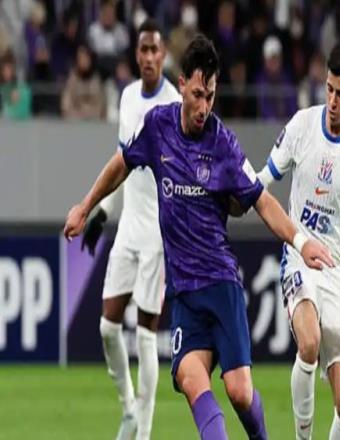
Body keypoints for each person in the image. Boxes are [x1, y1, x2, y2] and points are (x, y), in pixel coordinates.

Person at [64, 34, 333, 440]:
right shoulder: (158, 126)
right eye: (196, 95)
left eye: (210, 96)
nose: (204, 107)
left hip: (221, 285)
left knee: (239, 392)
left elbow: (261, 202)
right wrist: (85, 207)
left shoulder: (223, 143)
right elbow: (121, 164)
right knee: (192, 381)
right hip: (184, 295)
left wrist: (300, 241)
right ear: (182, 84)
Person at [257, 41, 340, 440]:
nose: (332, 101)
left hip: (336, 274)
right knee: (308, 343)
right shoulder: (301, 126)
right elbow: (263, 180)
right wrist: (233, 192)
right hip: (299, 257)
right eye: (328, 89)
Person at [79, 19, 180, 440]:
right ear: (136, 55)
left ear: (164, 54)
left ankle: (144, 433)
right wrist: (102, 211)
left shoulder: (175, 104)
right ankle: (128, 410)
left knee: (145, 335)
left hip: (157, 233)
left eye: (155, 49)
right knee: (107, 327)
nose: (150, 57)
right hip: (128, 229)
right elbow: (122, 161)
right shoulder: (126, 97)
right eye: (144, 50)